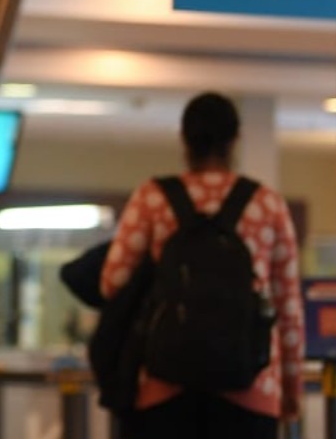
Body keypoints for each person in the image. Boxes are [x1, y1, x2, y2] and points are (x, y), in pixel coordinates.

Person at [100, 92, 304, 439]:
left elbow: (112, 283)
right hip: (251, 387)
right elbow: (288, 308)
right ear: (235, 140)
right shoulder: (267, 203)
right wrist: (290, 389)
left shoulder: (153, 197)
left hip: (164, 382)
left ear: (184, 139)